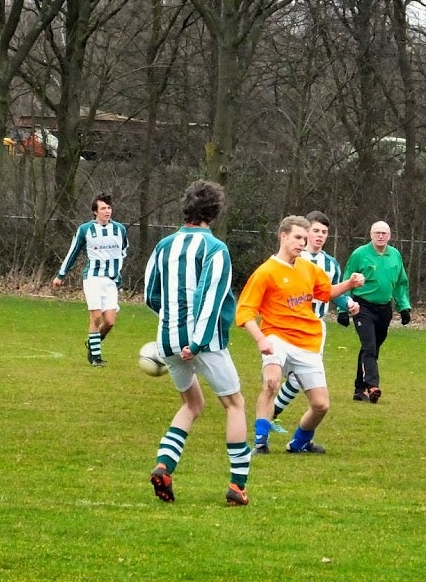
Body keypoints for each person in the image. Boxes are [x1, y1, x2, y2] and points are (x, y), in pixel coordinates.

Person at [143, 180, 251, 506]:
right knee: (234, 405)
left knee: (192, 405)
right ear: (214, 212)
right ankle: (237, 486)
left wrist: (172, 327)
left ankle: (164, 467)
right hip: (203, 342)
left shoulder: (164, 246)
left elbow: (150, 294)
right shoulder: (216, 249)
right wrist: (198, 341)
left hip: (167, 341)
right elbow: (210, 297)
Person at [236, 215, 365, 455]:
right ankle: (260, 442)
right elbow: (244, 312)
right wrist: (260, 338)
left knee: (321, 405)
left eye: (304, 239)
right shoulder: (266, 272)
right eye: (297, 237)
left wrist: (349, 284)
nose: (302, 243)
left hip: (307, 340)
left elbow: (326, 293)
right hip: (276, 336)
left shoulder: (308, 268)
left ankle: (299, 443)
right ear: (283, 236)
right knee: (271, 382)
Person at [270, 211, 359, 425]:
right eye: (315, 230)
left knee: (296, 379)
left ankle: (271, 414)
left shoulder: (331, 264)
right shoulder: (293, 259)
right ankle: (267, 418)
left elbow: (331, 292)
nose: (320, 235)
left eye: (324, 232)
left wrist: (347, 303)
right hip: (286, 325)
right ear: (305, 232)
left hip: (315, 327)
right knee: (274, 377)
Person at [52, 193, 129, 366]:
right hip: (93, 278)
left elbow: (124, 250)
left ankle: (92, 343)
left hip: (111, 281)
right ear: (95, 212)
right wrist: (60, 275)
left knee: (109, 322)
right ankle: (96, 357)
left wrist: (117, 270)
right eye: (103, 208)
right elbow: (73, 252)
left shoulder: (120, 229)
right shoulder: (85, 229)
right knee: (95, 317)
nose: (107, 211)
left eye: (109, 208)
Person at [342, 220, 411, 404]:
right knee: (369, 347)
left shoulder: (395, 255)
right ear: (370, 235)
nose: (380, 236)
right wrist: (343, 308)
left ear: (389, 236)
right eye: (377, 233)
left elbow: (401, 283)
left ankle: (359, 390)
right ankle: (372, 386)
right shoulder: (360, 254)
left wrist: (404, 307)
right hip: (362, 306)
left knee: (371, 349)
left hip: (384, 309)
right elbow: (347, 279)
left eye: (384, 233)